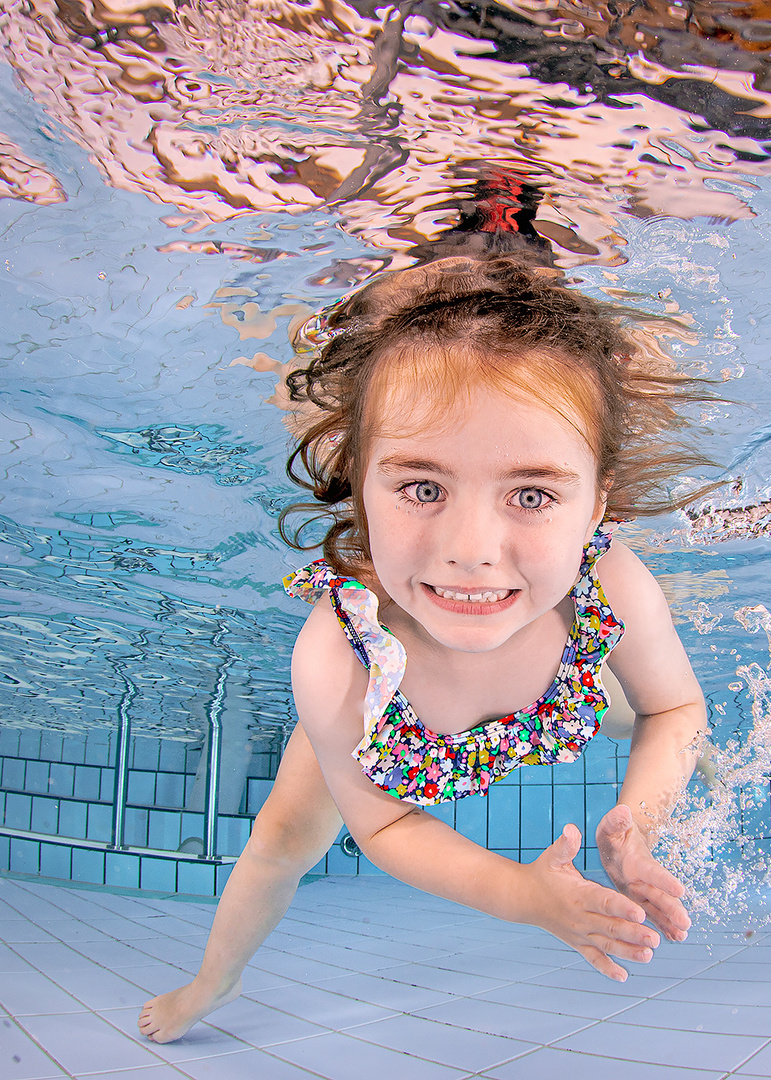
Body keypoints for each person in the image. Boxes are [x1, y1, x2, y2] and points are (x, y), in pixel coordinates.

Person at [138, 256, 716, 1044]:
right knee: (279, 840)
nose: (471, 550)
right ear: (356, 477)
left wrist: (640, 823)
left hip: (554, 696)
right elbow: (384, 828)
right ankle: (213, 980)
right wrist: (523, 894)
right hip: (393, 730)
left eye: (534, 495)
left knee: (643, 714)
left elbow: (674, 705)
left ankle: (695, 763)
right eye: (421, 487)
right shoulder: (340, 658)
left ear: (597, 504)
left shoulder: (607, 585)